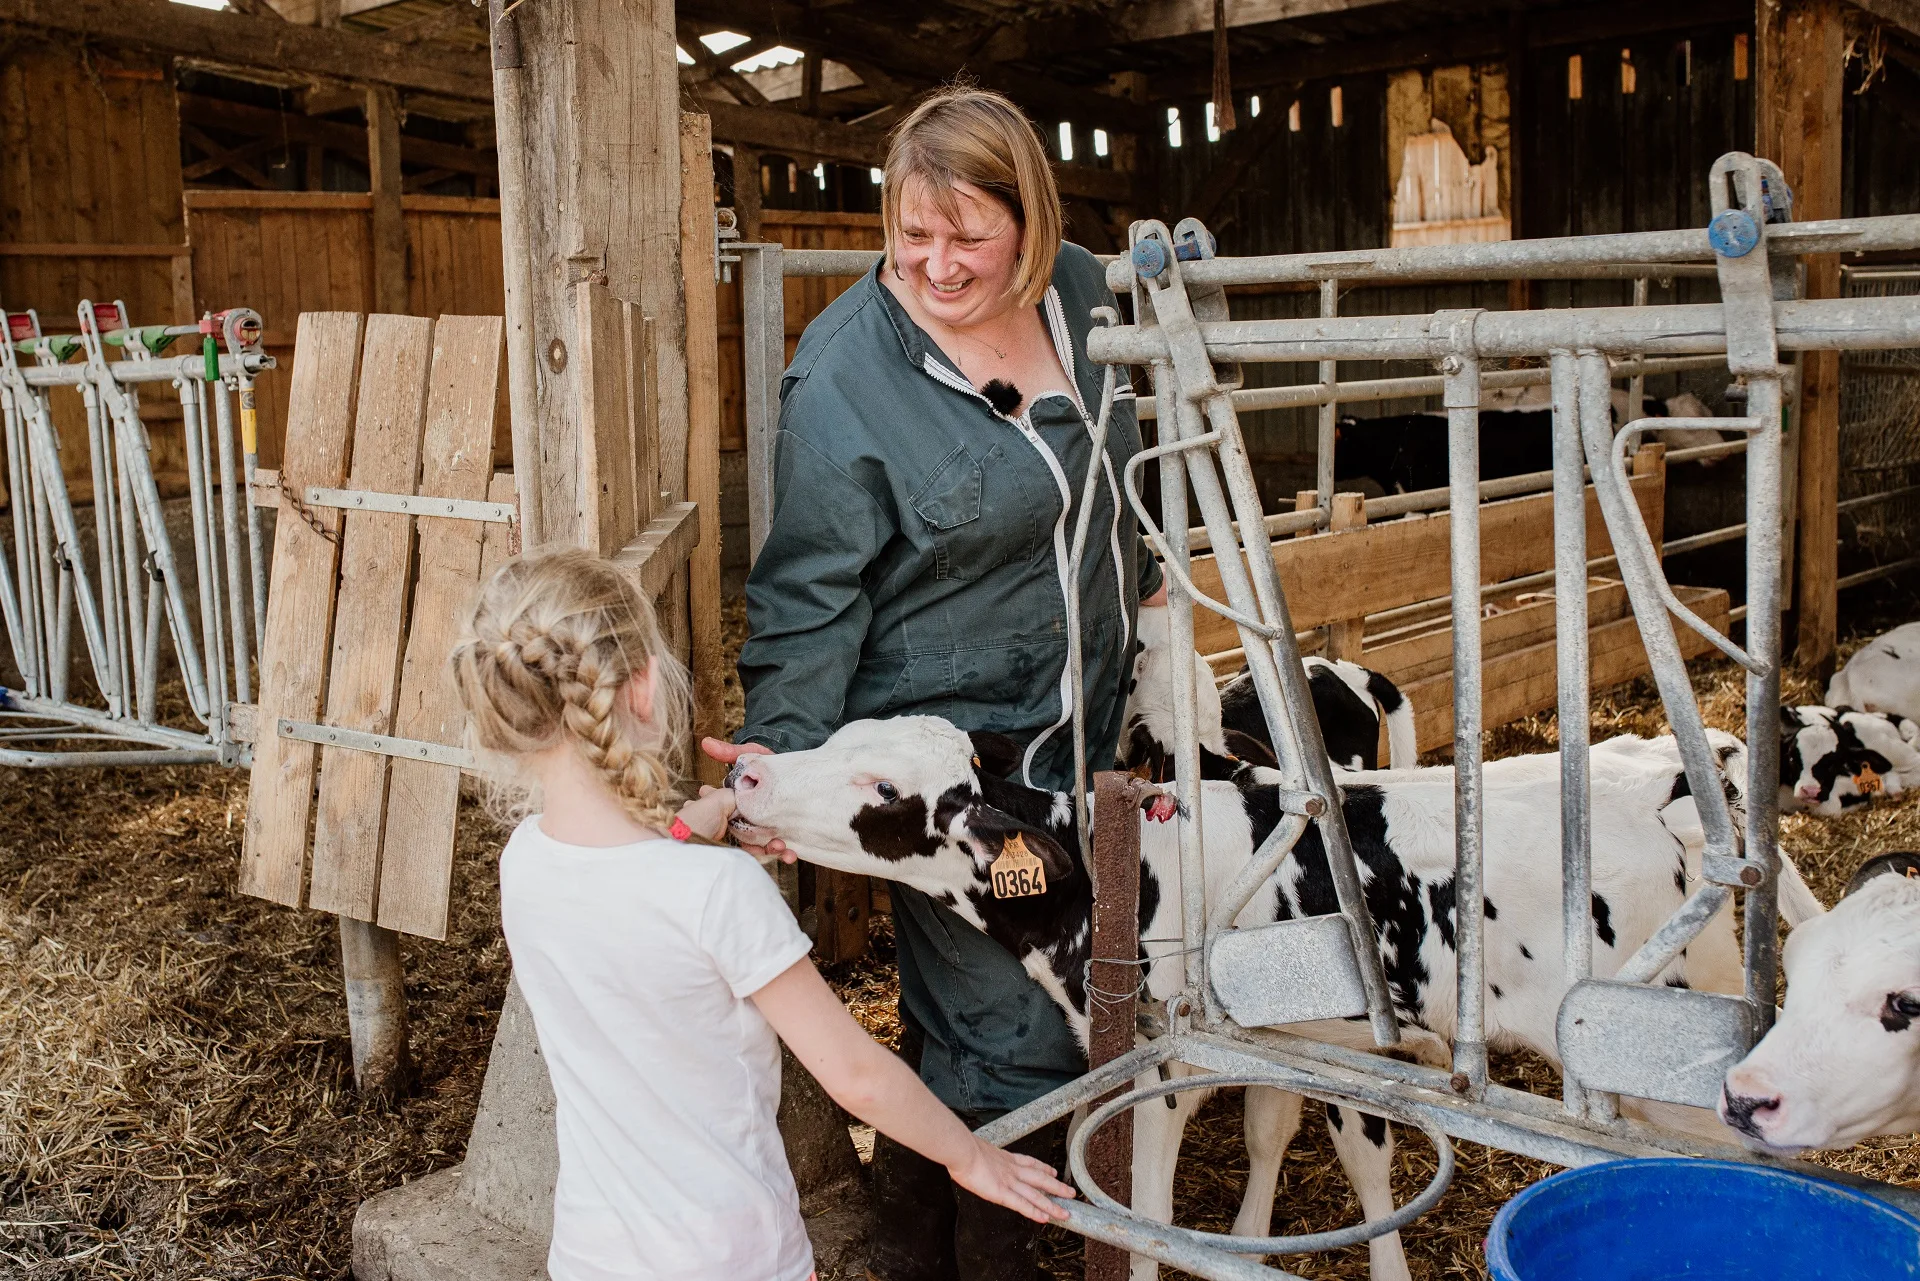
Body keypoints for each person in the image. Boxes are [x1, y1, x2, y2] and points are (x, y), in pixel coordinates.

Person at [703, 86, 1164, 1281]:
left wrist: (1153, 582)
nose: (938, 264)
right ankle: (973, 1250)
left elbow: (1129, 464)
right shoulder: (847, 376)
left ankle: (914, 1239)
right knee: (1015, 1027)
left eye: (970, 236)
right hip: (952, 774)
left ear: (1033, 220)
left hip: (1092, 732)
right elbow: (808, 594)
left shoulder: (1086, 297)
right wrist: (778, 771)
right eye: (913, 234)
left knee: (1031, 1004)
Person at [451, 547, 1073, 1281]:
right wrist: (972, 1157)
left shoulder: (524, 861)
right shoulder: (719, 894)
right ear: (645, 688)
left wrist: (695, 821)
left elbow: (628, 880)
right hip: (733, 1257)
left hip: (592, 1253)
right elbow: (858, 1076)